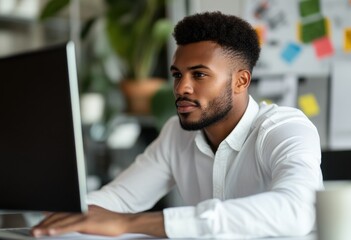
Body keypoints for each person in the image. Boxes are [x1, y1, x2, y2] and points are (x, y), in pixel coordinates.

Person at [32, 11, 323, 239]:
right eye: (176, 74)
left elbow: (300, 208)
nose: (181, 87)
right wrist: (63, 211)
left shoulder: (284, 128)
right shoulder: (176, 133)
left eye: (199, 75)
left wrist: (128, 224)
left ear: (240, 81)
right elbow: (119, 199)